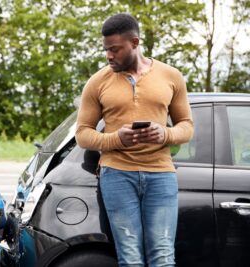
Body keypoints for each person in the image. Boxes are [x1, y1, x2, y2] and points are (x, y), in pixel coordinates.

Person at [75, 13, 194, 267]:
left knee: (162, 256)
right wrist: (116, 138)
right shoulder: (97, 82)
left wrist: (166, 134)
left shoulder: (171, 76)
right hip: (117, 175)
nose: (109, 56)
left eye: (115, 49)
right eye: (106, 49)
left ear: (135, 43)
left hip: (161, 175)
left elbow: (187, 126)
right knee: (130, 258)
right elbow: (82, 134)